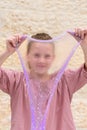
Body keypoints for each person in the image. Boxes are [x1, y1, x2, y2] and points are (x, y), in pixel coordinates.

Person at [0, 28, 87, 130]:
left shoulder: (65, 81)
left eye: (47, 56)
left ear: (53, 58)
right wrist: (7, 52)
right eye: (36, 55)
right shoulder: (16, 81)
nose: (41, 60)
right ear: (27, 56)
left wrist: (84, 45)